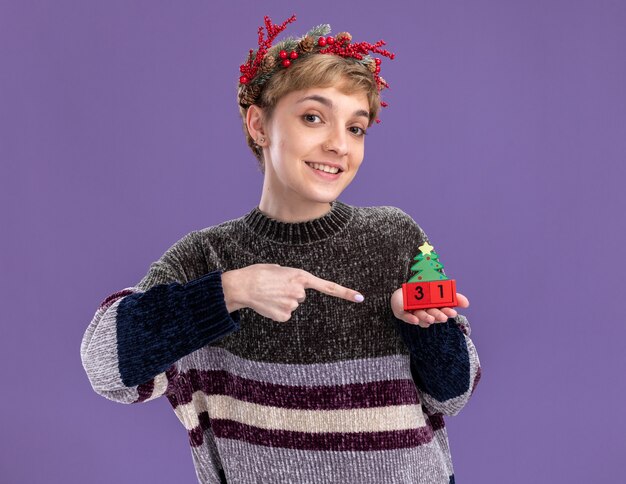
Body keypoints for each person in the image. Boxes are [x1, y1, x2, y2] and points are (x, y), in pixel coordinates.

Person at [80, 14, 481, 484]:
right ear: (259, 124)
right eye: (313, 117)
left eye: (356, 128)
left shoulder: (394, 236)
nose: (338, 145)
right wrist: (228, 291)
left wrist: (425, 328)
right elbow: (106, 369)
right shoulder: (207, 257)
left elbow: (454, 395)